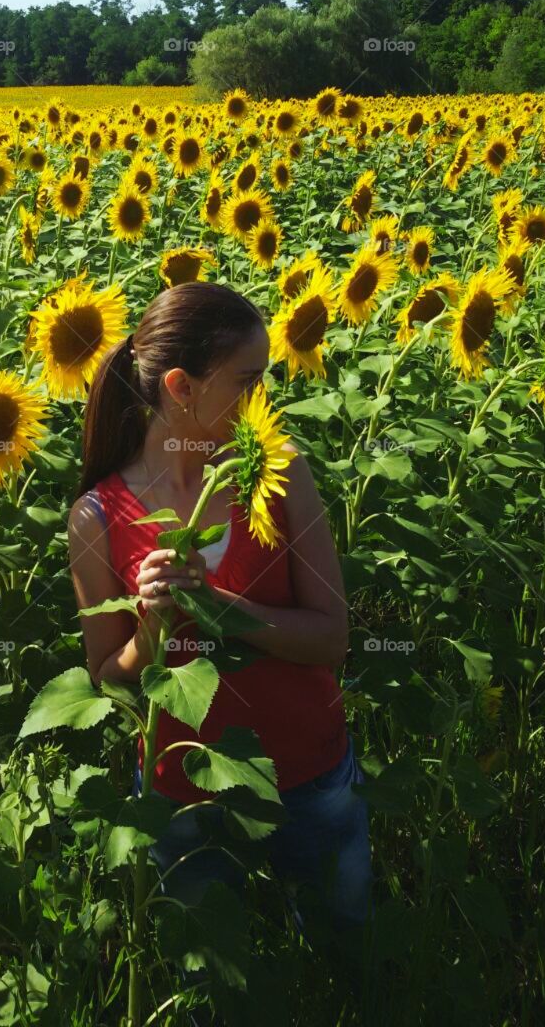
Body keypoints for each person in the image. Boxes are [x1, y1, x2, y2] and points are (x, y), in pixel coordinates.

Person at [67, 281, 374, 1001]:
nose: (264, 400)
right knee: (209, 984)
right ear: (181, 387)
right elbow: (111, 676)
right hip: (184, 794)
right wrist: (153, 625)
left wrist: (220, 608)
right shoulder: (98, 518)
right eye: (249, 380)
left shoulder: (278, 471)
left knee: (344, 954)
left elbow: (333, 638)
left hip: (308, 771)